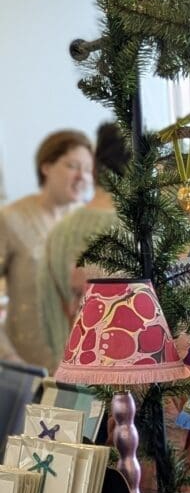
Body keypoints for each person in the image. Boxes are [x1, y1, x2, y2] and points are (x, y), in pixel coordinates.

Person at [38, 122, 131, 365]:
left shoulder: (58, 232)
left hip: (68, 382)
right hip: (131, 389)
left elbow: (47, 311)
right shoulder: (141, 231)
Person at [0, 129, 93, 368]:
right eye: (72, 166)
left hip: (84, 363)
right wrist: (7, 356)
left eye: (88, 168)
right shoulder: (11, 219)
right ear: (46, 167)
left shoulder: (88, 222)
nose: (82, 176)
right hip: (27, 365)